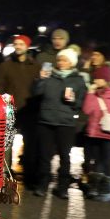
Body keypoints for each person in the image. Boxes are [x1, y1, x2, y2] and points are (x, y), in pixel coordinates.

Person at [31, 49, 87, 198]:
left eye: (65, 60)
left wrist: (74, 100)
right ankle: (42, 185)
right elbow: (36, 93)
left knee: (65, 156)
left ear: (72, 63)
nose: (61, 63)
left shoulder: (78, 80)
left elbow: (81, 103)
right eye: (60, 60)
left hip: (66, 123)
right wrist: (41, 80)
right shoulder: (49, 75)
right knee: (44, 155)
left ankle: (63, 187)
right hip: (46, 120)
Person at [0, 35, 41, 189]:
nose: (18, 46)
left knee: (30, 145)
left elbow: (41, 88)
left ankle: (30, 175)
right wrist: (2, 104)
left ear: (27, 46)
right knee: (7, 144)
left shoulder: (36, 66)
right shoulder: (5, 66)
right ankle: (5, 175)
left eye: (21, 44)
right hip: (10, 111)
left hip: (30, 111)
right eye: (16, 44)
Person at [81, 65, 110, 202]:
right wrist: (89, 93)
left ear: (106, 79)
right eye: (95, 77)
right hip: (94, 134)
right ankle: (95, 188)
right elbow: (86, 111)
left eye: (98, 78)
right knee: (96, 163)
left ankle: (106, 191)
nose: (95, 80)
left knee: (108, 163)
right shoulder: (94, 94)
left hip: (109, 135)